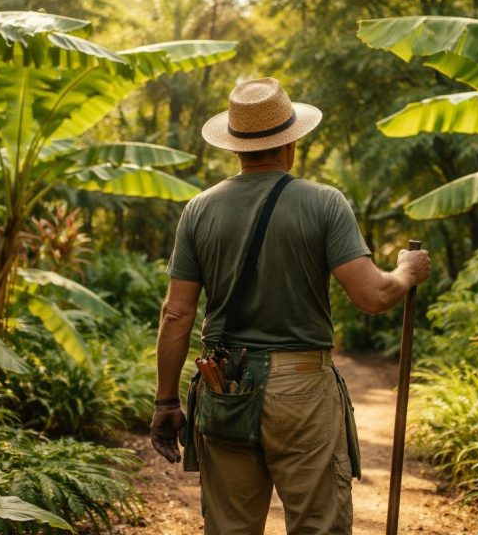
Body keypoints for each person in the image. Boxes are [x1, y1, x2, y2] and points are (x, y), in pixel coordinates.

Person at [150, 77, 432, 534]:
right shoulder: (323, 203)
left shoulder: (199, 209)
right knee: (317, 526)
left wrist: (165, 402)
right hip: (300, 391)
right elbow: (373, 296)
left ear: (235, 146)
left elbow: (176, 314)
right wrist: (406, 270)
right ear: (292, 142)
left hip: (225, 386)